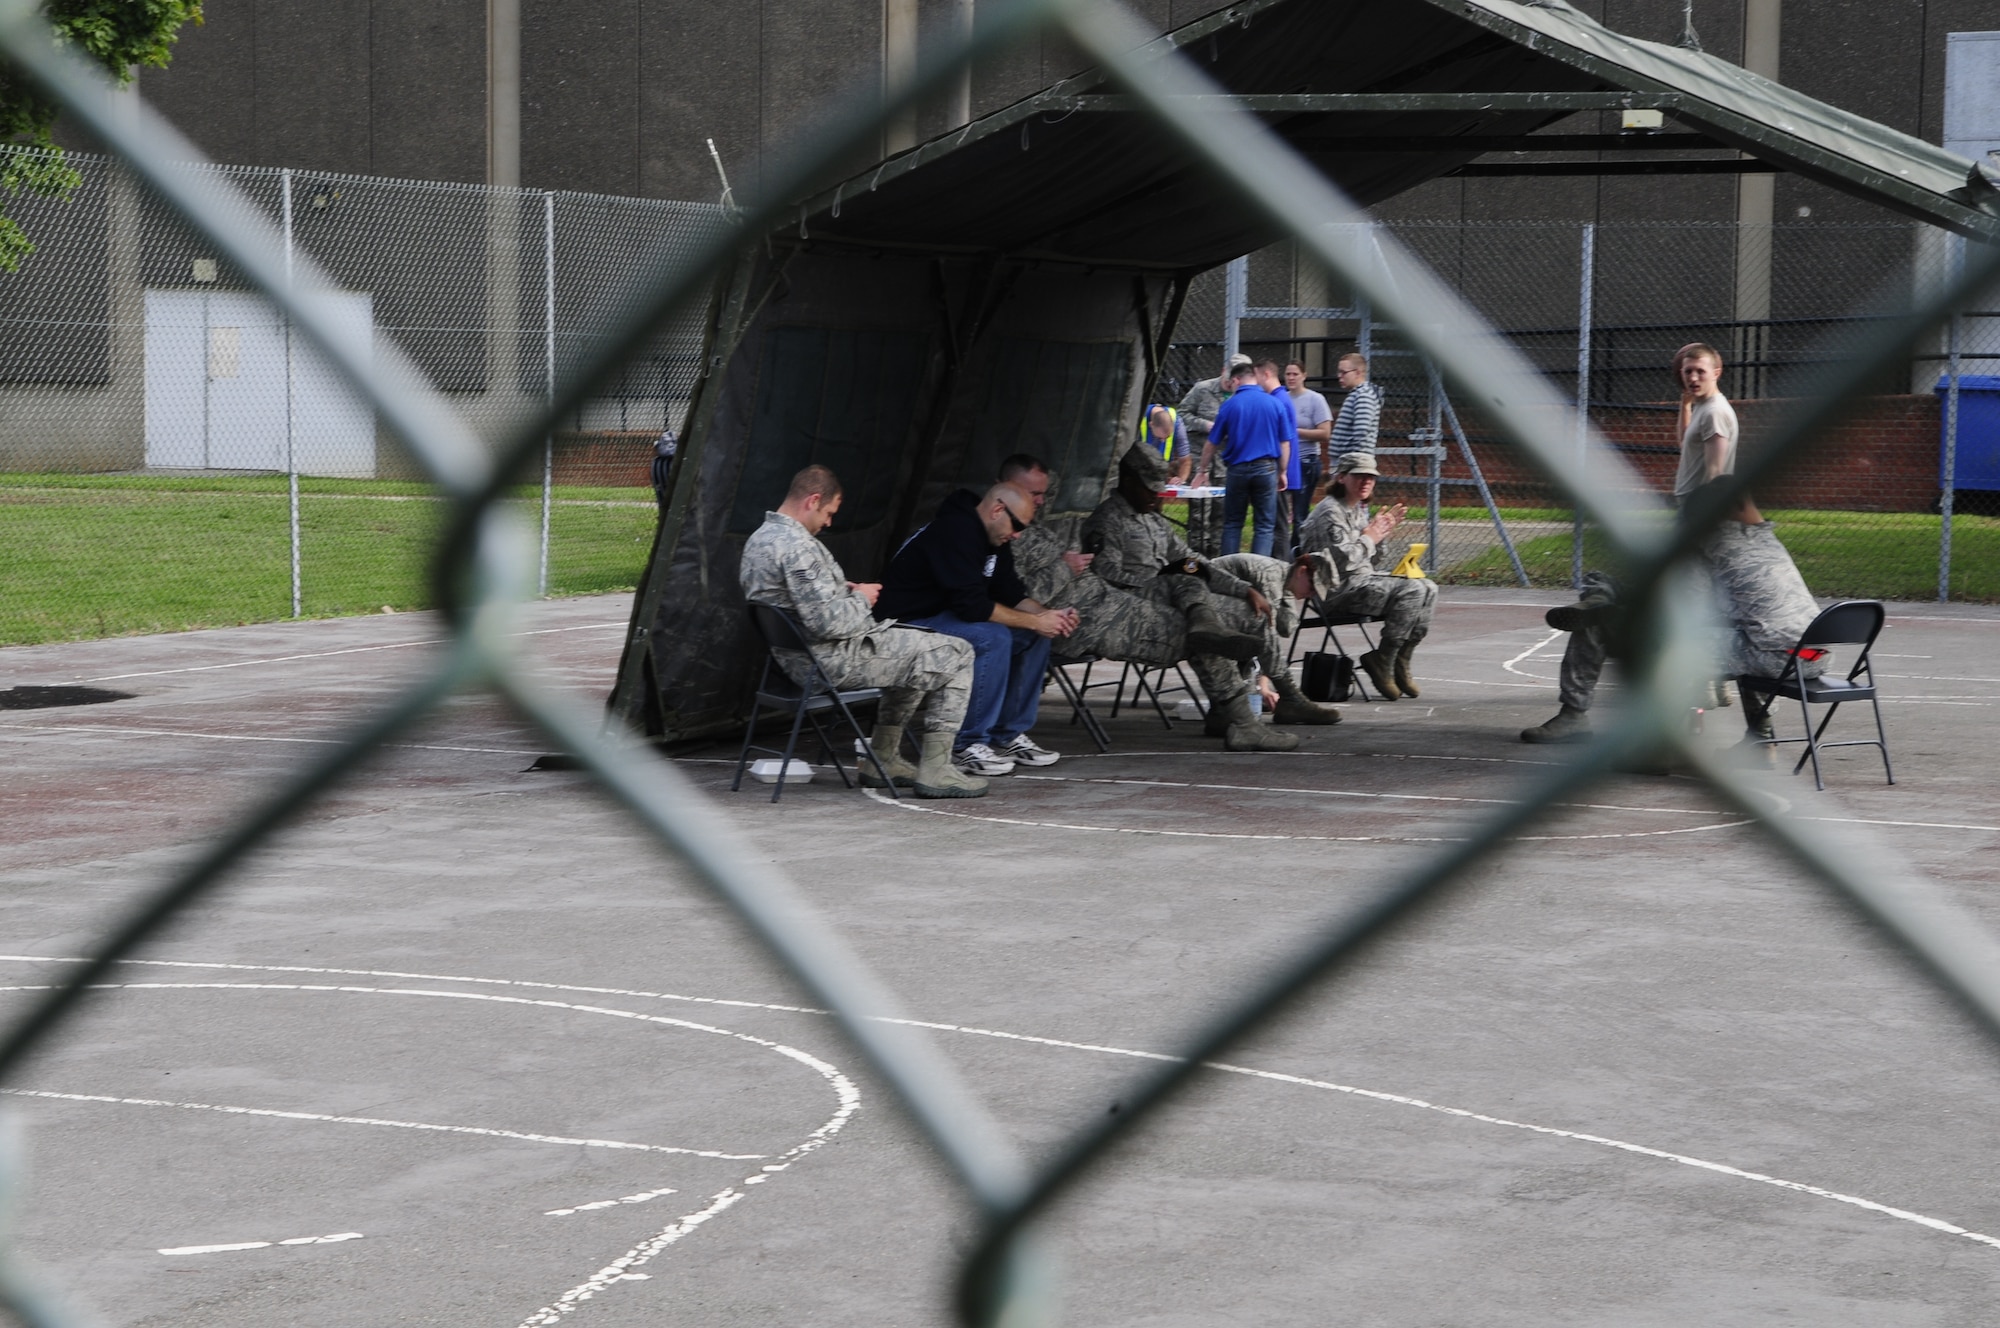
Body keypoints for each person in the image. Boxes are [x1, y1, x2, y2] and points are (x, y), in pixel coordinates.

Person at [738, 464, 987, 799]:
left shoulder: (761, 539)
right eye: (828, 512)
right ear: (812, 500)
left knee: (921, 651)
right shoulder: (797, 546)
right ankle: (937, 768)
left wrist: (842, 589)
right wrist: (860, 597)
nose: (829, 522)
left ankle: (882, 759)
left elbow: (798, 601)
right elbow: (827, 623)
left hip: (796, 659)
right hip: (830, 659)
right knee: (957, 653)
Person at [1521, 483, 1824, 752]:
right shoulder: (1766, 539)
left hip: (1773, 657)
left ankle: (1640, 740)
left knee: (1618, 629)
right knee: (1746, 632)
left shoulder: (1711, 543)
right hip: (1813, 654)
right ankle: (1761, 739)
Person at [1078, 444, 1304, 750]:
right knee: (1198, 627)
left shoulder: (1154, 520)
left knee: (1249, 614)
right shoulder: (1106, 522)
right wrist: (1163, 583)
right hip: (1133, 608)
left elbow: (1192, 561)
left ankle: (1272, 701)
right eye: (1150, 490)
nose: (1156, 497)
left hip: (1181, 600)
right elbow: (1106, 578)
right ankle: (1241, 721)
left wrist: (1242, 588)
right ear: (1129, 481)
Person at [876, 481, 1077, 777]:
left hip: (943, 616)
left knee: (1035, 634)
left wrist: (1049, 616)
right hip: (905, 623)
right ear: (998, 509)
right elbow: (972, 606)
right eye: (1018, 525)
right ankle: (966, 744)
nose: (1018, 534)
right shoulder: (956, 530)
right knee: (992, 638)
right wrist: (1036, 620)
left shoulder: (996, 538)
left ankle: (1006, 735)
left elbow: (1010, 592)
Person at [1296, 450, 1437, 700]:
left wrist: (1380, 536)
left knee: (1428, 587)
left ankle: (1399, 658)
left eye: (1371, 477)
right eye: (1359, 476)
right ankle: (1384, 658)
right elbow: (1340, 563)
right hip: (1335, 590)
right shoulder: (1330, 512)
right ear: (1341, 478)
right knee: (1412, 590)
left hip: (1360, 583)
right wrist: (1369, 537)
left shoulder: (1357, 510)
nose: (1366, 482)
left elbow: (1370, 559)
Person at [1198, 361, 1292, 556]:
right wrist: (1283, 472)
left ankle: (1230, 571)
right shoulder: (1274, 403)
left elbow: (1211, 442)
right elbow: (1285, 443)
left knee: (1232, 523)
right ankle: (1258, 572)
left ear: (1236, 380)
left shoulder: (1229, 405)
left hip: (1237, 469)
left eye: (1230, 384)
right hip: (1266, 468)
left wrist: (1202, 470)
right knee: (1265, 526)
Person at [1672, 343, 1739, 506]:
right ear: (1681, 373)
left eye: (1700, 371)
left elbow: (1715, 472)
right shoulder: (1703, 406)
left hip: (1701, 505)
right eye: (1688, 371)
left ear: (1716, 373)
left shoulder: (1714, 412)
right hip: (1690, 502)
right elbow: (1686, 444)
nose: (1693, 378)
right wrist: (1686, 406)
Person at [1249, 358, 1302, 556]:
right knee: (1275, 522)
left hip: (1280, 470)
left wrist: (1281, 470)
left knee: (1278, 524)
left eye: (1256, 377)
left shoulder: (1277, 400)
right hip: (1282, 469)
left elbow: (1282, 441)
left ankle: (1281, 567)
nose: (1255, 382)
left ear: (1266, 374)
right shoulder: (1282, 399)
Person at [1177, 351, 1252, 486]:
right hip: (1199, 454)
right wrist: (1204, 425)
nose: (1231, 384)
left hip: (1225, 459)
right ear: (1223, 370)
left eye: (1235, 380)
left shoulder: (1245, 397)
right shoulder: (1202, 389)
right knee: (1198, 502)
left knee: (1222, 501)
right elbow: (1182, 414)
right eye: (1229, 378)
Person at [1284, 360, 1333, 532]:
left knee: (1299, 514)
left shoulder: (1315, 399)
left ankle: (1299, 553)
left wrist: (1295, 431)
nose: (1291, 378)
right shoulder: (1281, 397)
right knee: (1280, 512)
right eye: (1288, 374)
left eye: (1295, 374)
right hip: (1283, 461)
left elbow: (1325, 433)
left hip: (1305, 460)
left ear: (1304, 376)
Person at [1327, 353, 1381, 503]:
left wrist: (1351, 467)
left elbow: (1361, 434)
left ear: (1358, 373)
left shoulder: (1363, 396)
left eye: (1344, 372)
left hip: (1352, 466)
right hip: (1347, 465)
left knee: (1348, 507)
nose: (1340, 376)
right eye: (1339, 372)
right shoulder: (1357, 394)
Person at [1135, 403, 1189, 481]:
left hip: (1163, 471)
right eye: (1159, 438)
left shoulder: (1177, 424)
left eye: (1167, 437)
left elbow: (1185, 460)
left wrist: (1179, 481)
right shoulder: (1137, 420)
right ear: (1151, 425)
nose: (1163, 441)